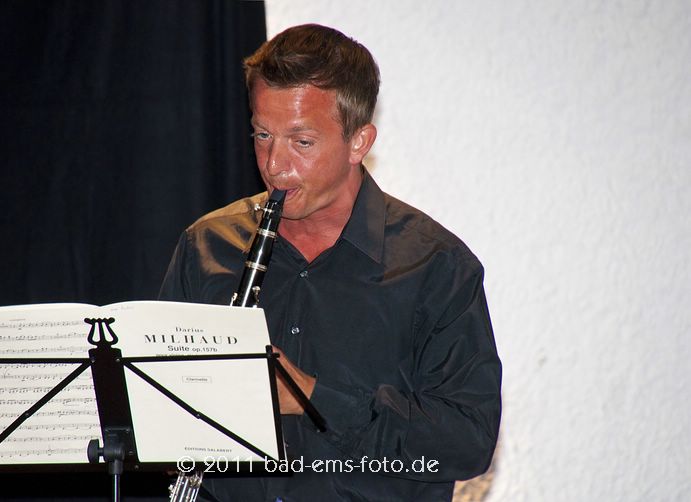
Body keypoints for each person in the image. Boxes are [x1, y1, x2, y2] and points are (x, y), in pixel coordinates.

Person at [159, 23, 502, 502]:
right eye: (262, 135)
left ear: (359, 142)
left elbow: (467, 444)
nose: (274, 164)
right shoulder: (209, 245)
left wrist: (311, 397)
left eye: (302, 142)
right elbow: (160, 422)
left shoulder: (435, 266)